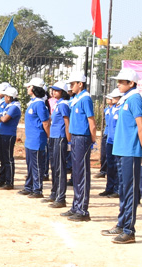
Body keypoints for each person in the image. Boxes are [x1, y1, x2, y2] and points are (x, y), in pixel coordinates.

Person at [101, 68, 142, 244]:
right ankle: (122, 224)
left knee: (130, 191)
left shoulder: (135, 99)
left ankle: (129, 230)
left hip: (131, 151)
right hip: (121, 150)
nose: (118, 84)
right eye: (118, 81)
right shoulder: (125, 100)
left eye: (122, 82)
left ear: (131, 83)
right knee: (123, 189)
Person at [61, 71, 96, 222]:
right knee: (76, 172)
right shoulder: (75, 99)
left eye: (72, 84)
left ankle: (83, 209)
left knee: (82, 173)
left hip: (83, 138)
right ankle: (76, 206)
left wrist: (92, 141)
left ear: (80, 84)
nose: (71, 87)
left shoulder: (85, 98)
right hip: (75, 137)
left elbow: (91, 121)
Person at [19, 77, 50, 198]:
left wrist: (48, 137)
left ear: (35, 88)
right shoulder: (33, 103)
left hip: (37, 139)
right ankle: (29, 186)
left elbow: (46, 123)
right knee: (30, 165)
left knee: (37, 165)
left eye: (29, 86)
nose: (27, 89)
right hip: (30, 139)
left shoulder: (40, 104)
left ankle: (37, 189)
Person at [46, 81, 71, 208]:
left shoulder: (63, 105)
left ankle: (61, 197)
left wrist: (69, 141)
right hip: (54, 137)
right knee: (54, 166)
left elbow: (67, 124)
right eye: (53, 90)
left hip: (61, 138)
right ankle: (54, 193)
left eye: (57, 90)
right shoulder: (57, 104)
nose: (54, 92)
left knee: (60, 168)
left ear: (63, 92)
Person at [0, 86, 21, 190]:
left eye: (6, 96)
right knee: (3, 158)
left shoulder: (14, 107)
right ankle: (2, 179)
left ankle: (9, 181)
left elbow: (4, 119)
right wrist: (0, 118)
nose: (4, 98)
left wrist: (1, 118)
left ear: (10, 97)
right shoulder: (9, 106)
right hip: (4, 133)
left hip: (9, 134)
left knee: (8, 159)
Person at [100, 88, 122, 198]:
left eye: (114, 97)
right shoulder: (111, 109)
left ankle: (117, 189)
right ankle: (109, 188)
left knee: (117, 166)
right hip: (109, 140)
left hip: (117, 141)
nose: (112, 99)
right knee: (110, 165)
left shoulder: (121, 109)